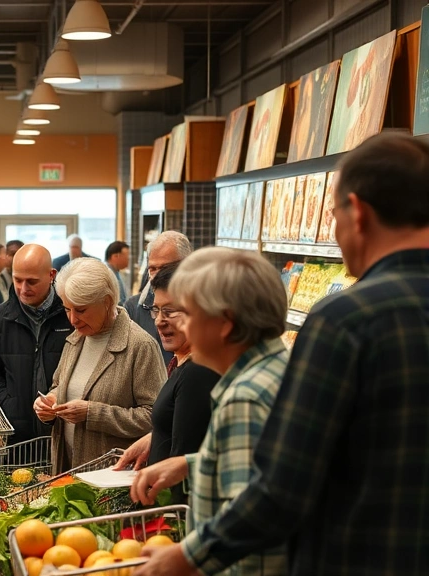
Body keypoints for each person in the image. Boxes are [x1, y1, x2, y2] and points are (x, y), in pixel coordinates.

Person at [134, 132, 429, 576]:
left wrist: (189, 555)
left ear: (360, 214)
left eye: (333, 213)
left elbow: (286, 483)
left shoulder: (347, 319)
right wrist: (195, 463)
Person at [126, 248, 289, 576]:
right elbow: (269, 471)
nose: (176, 323)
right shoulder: (276, 370)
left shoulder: (245, 397)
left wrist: (185, 558)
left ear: (225, 324)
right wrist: (188, 463)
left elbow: (252, 516)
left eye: (186, 313)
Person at [33, 258, 164, 471]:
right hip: (68, 470)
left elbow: (154, 417)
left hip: (112, 478)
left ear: (107, 301)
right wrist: (50, 402)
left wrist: (93, 414)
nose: (73, 319)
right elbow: (59, 385)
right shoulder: (76, 339)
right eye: (67, 309)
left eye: (81, 310)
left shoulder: (140, 346)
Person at [114, 263, 220, 504]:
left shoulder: (197, 374)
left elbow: (184, 463)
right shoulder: (183, 364)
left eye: (170, 311)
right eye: (157, 310)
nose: (159, 321)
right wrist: (156, 437)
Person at [0, 244, 73, 443]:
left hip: (63, 429)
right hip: (16, 434)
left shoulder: (70, 316)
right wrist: (9, 404)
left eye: (31, 282)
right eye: (17, 280)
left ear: (51, 275)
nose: (23, 288)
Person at [124, 230, 192, 365]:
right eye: (152, 269)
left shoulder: (199, 305)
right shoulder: (134, 307)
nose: (156, 276)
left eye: (165, 268)